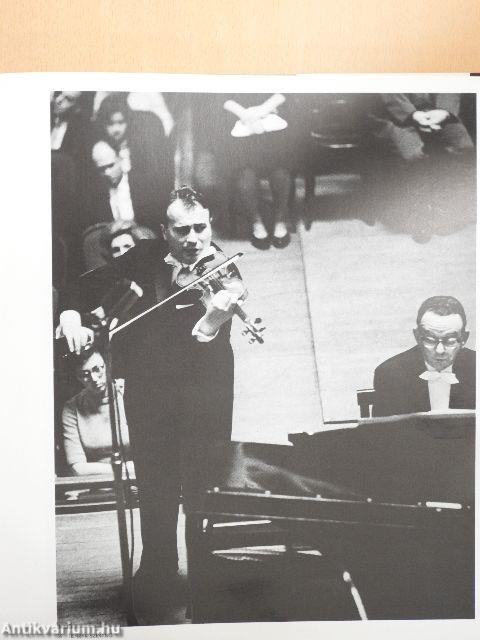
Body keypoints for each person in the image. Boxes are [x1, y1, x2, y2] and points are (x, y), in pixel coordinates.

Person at [56, 186, 241, 619]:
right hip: (149, 395)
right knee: (156, 488)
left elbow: (206, 345)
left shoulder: (224, 272)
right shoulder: (143, 257)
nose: (193, 239)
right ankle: (158, 574)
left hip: (205, 395)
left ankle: (205, 577)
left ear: (210, 225)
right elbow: (81, 287)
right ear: (164, 231)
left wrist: (212, 321)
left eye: (200, 228)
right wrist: (70, 316)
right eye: (182, 230)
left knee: (203, 485)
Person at [372, 296, 475, 417]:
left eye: (450, 341)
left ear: (464, 338)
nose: (440, 350)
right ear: (417, 336)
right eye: (430, 340)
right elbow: (383, 428)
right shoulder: (390, 374)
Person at [91, 93, 175, 233]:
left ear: (128, 122)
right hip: (114, 221)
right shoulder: (102, 150)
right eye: (110, 124)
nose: (116, 129)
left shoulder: (139, 151)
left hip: (141, 220)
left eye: (121, 123)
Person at [62, 349, 132, 476]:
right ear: (78, 378)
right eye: (85, 374)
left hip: (137, 480)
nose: (94, 378)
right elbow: (78, 468)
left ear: (108, 365)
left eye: (97, 369)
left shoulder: (128, 394)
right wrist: (125, 469)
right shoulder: (72, 408)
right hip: (95, 483)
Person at [373, 94, 474, 162]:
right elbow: (392, 96)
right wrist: (413, 115)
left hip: (436, 109)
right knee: (414, 155)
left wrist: (444, 112)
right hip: (399, 115)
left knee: (464, 147)